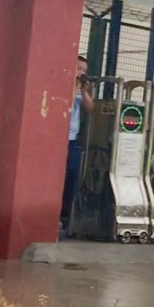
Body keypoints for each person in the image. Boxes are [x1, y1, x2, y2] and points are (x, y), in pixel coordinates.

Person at [61, 55, 93, 229]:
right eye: (78, 68)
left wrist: (84, 90)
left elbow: (90, 108)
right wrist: (75, 87)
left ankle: (66, 213)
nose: (81, 73)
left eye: (84, 70)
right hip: (61, 138)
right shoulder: (64, 85)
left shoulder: (80, 90)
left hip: (73, 139)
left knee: (72, 176)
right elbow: (67, 103)